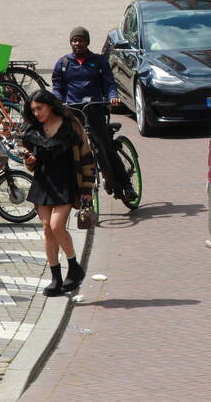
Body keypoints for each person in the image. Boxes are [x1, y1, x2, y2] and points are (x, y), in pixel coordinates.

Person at [21, 91, 93, 297]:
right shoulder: (34, 130)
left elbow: (87, 157)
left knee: (56, 225)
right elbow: (31, 163)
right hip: (44, 182)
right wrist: (29, 161)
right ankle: (56, 278)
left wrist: (87, 189)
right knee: (46, 229)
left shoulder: (71, 125)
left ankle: (74, 266)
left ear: (50, 105)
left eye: (39, 108)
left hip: (68, 182)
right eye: (33, 110)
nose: (36, 113)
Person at [51, 27, 136, 202]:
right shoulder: (63, 64)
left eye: (81, 40)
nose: (77, 44)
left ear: (87, 42)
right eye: (74, 40)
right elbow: (57, 87)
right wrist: (58, 101)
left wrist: (112, 97)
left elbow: (110, 83)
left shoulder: (99, 61)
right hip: (74, 112)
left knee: (107, 148)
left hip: (95, 110)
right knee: (69, 150)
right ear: (70, 43)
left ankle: (127, 185)